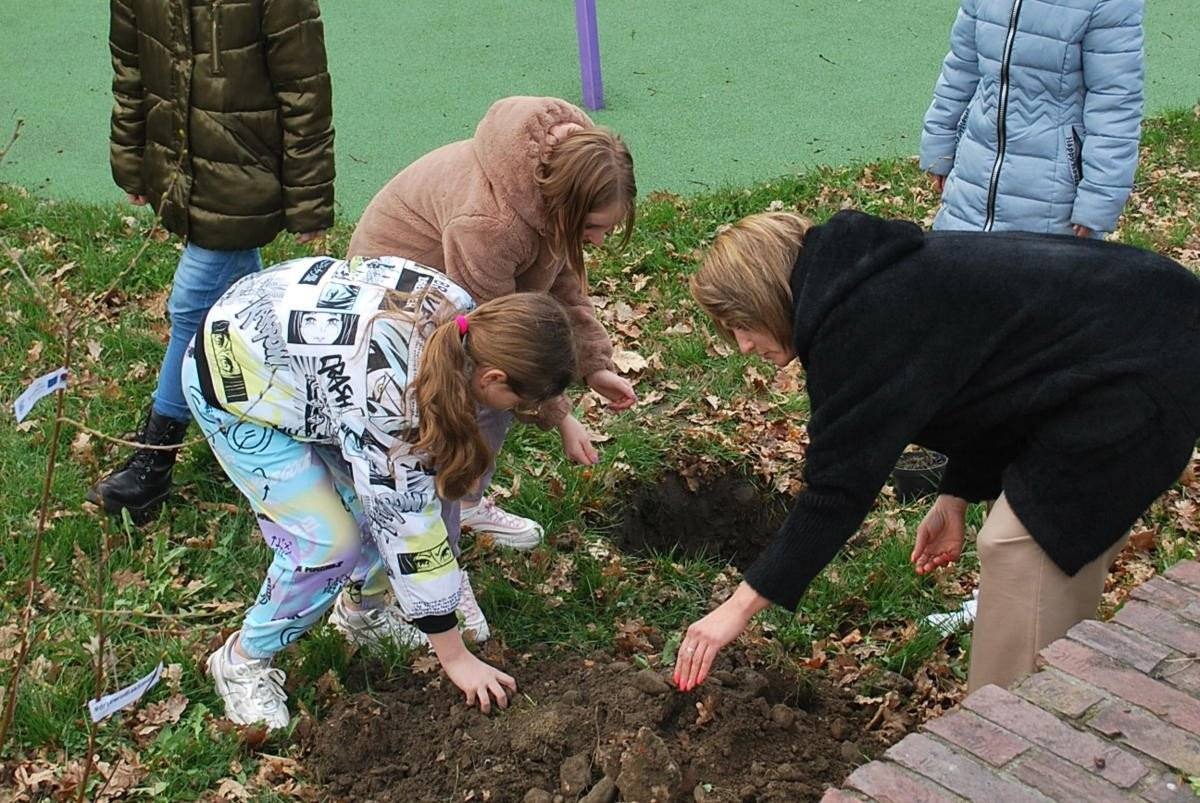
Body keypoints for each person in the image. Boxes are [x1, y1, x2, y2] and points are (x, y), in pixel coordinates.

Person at [674, 209, 1200, 694]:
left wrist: (738, 609)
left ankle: (1008, 749)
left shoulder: (859, 319)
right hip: (1137, 338)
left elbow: (837, 490)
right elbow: (987, 383)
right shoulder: (869, 279)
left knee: (1021, 547)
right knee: (1031, 547)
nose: (742, 345)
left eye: (740, 323)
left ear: (768, 294)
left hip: (1144, 368)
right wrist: (956, 495)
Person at [183, 255, 578, 727]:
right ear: (492, 378)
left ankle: (362, 614)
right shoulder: (391, 398)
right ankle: (242, 660)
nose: (520, 411)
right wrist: (454, 656)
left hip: (298, 364)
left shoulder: (465, 322)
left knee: (373, 505)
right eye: (521, 400)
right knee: (328, 544)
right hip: (238, 389)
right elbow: (407, 523)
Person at [347, 96, 638, 549]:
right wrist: (561, 417)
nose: (598, 241)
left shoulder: (550, 184)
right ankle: (435, 525)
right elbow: (496, 342)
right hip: (390, 308)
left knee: (495, 389)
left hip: (452, 291)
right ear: (565, 204)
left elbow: (561, 281)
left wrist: (594, 364)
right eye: (594, 227)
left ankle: (463, 501)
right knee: (483, 392)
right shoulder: (490, 223)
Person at [89, 0, 336, 521]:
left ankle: (153, 465)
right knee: (246, 315)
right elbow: (130, 68)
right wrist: (133, 160)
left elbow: (305, 90)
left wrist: (309, 196)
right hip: (178, 163)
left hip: (247, 169)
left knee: (191, 306)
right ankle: (295, 424)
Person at [919, 0, 1144, 237]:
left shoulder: (1109, 4)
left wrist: (1099, 197)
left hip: (1053, 200)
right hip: (970, 184)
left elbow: (1115, 103)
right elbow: (961, 68)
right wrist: (939, 145)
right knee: (960, 270)